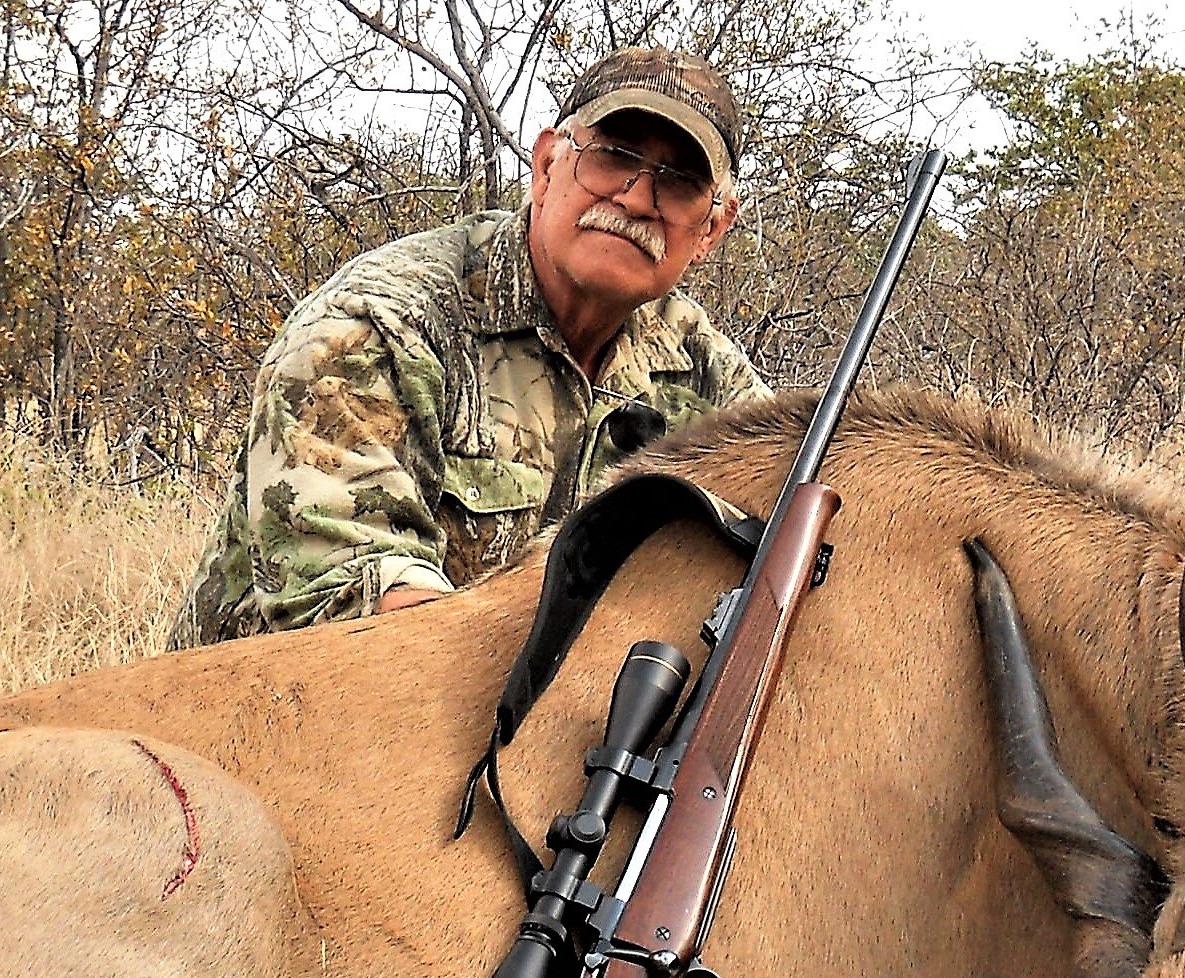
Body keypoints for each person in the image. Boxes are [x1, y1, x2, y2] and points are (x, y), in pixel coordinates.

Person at [171, 46, 770, 647]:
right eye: (614, 157)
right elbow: (353, 609)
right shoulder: (377, 325)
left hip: (552, 724)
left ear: (712, 229)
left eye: (681, 182)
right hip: (267, 718)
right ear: (545, 167)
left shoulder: (707, 377)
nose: (638, 198)